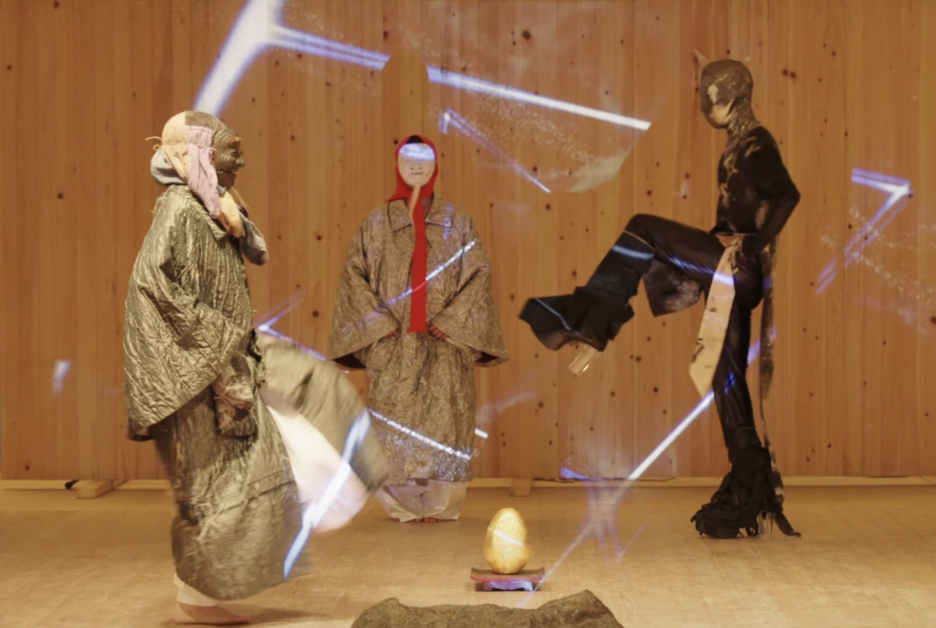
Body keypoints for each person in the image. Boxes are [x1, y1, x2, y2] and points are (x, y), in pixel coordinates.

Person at [519, 56, 802, 539]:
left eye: (707, 94)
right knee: (726, 379)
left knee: (643, 228)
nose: (702, 104)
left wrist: (749, 245)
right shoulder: (741, 141)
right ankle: (749, 479)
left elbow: (787, 196)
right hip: (729, 272)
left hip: (736, 268)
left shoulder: (756, 143)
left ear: (727, 97)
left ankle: (589, 318)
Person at [124, 111, 387, 625]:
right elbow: (150, 285)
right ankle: (197, 597)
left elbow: (252, 248)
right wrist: (215, 344)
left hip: (230, 352)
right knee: (215, 481)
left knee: (308, 390)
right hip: (196, 365)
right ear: (195, 154)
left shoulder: (209, 203)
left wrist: (230, 213)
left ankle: (318, 499)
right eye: (224, 154)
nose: (235, 165)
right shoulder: (178, 208)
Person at [329, 135, 507, 523]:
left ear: (435, 166)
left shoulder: (458, 222)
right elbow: (354, 276)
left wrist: (453, 321)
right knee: (395, 420)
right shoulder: (376, 225)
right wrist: (377, 323)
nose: (415, 165)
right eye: (407, 158)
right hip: (393, 343)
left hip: (445, 344)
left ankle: (442, 505)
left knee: (446, 419)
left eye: (423, 158)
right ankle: (403, 506)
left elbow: (478, 273)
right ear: (397, 165)